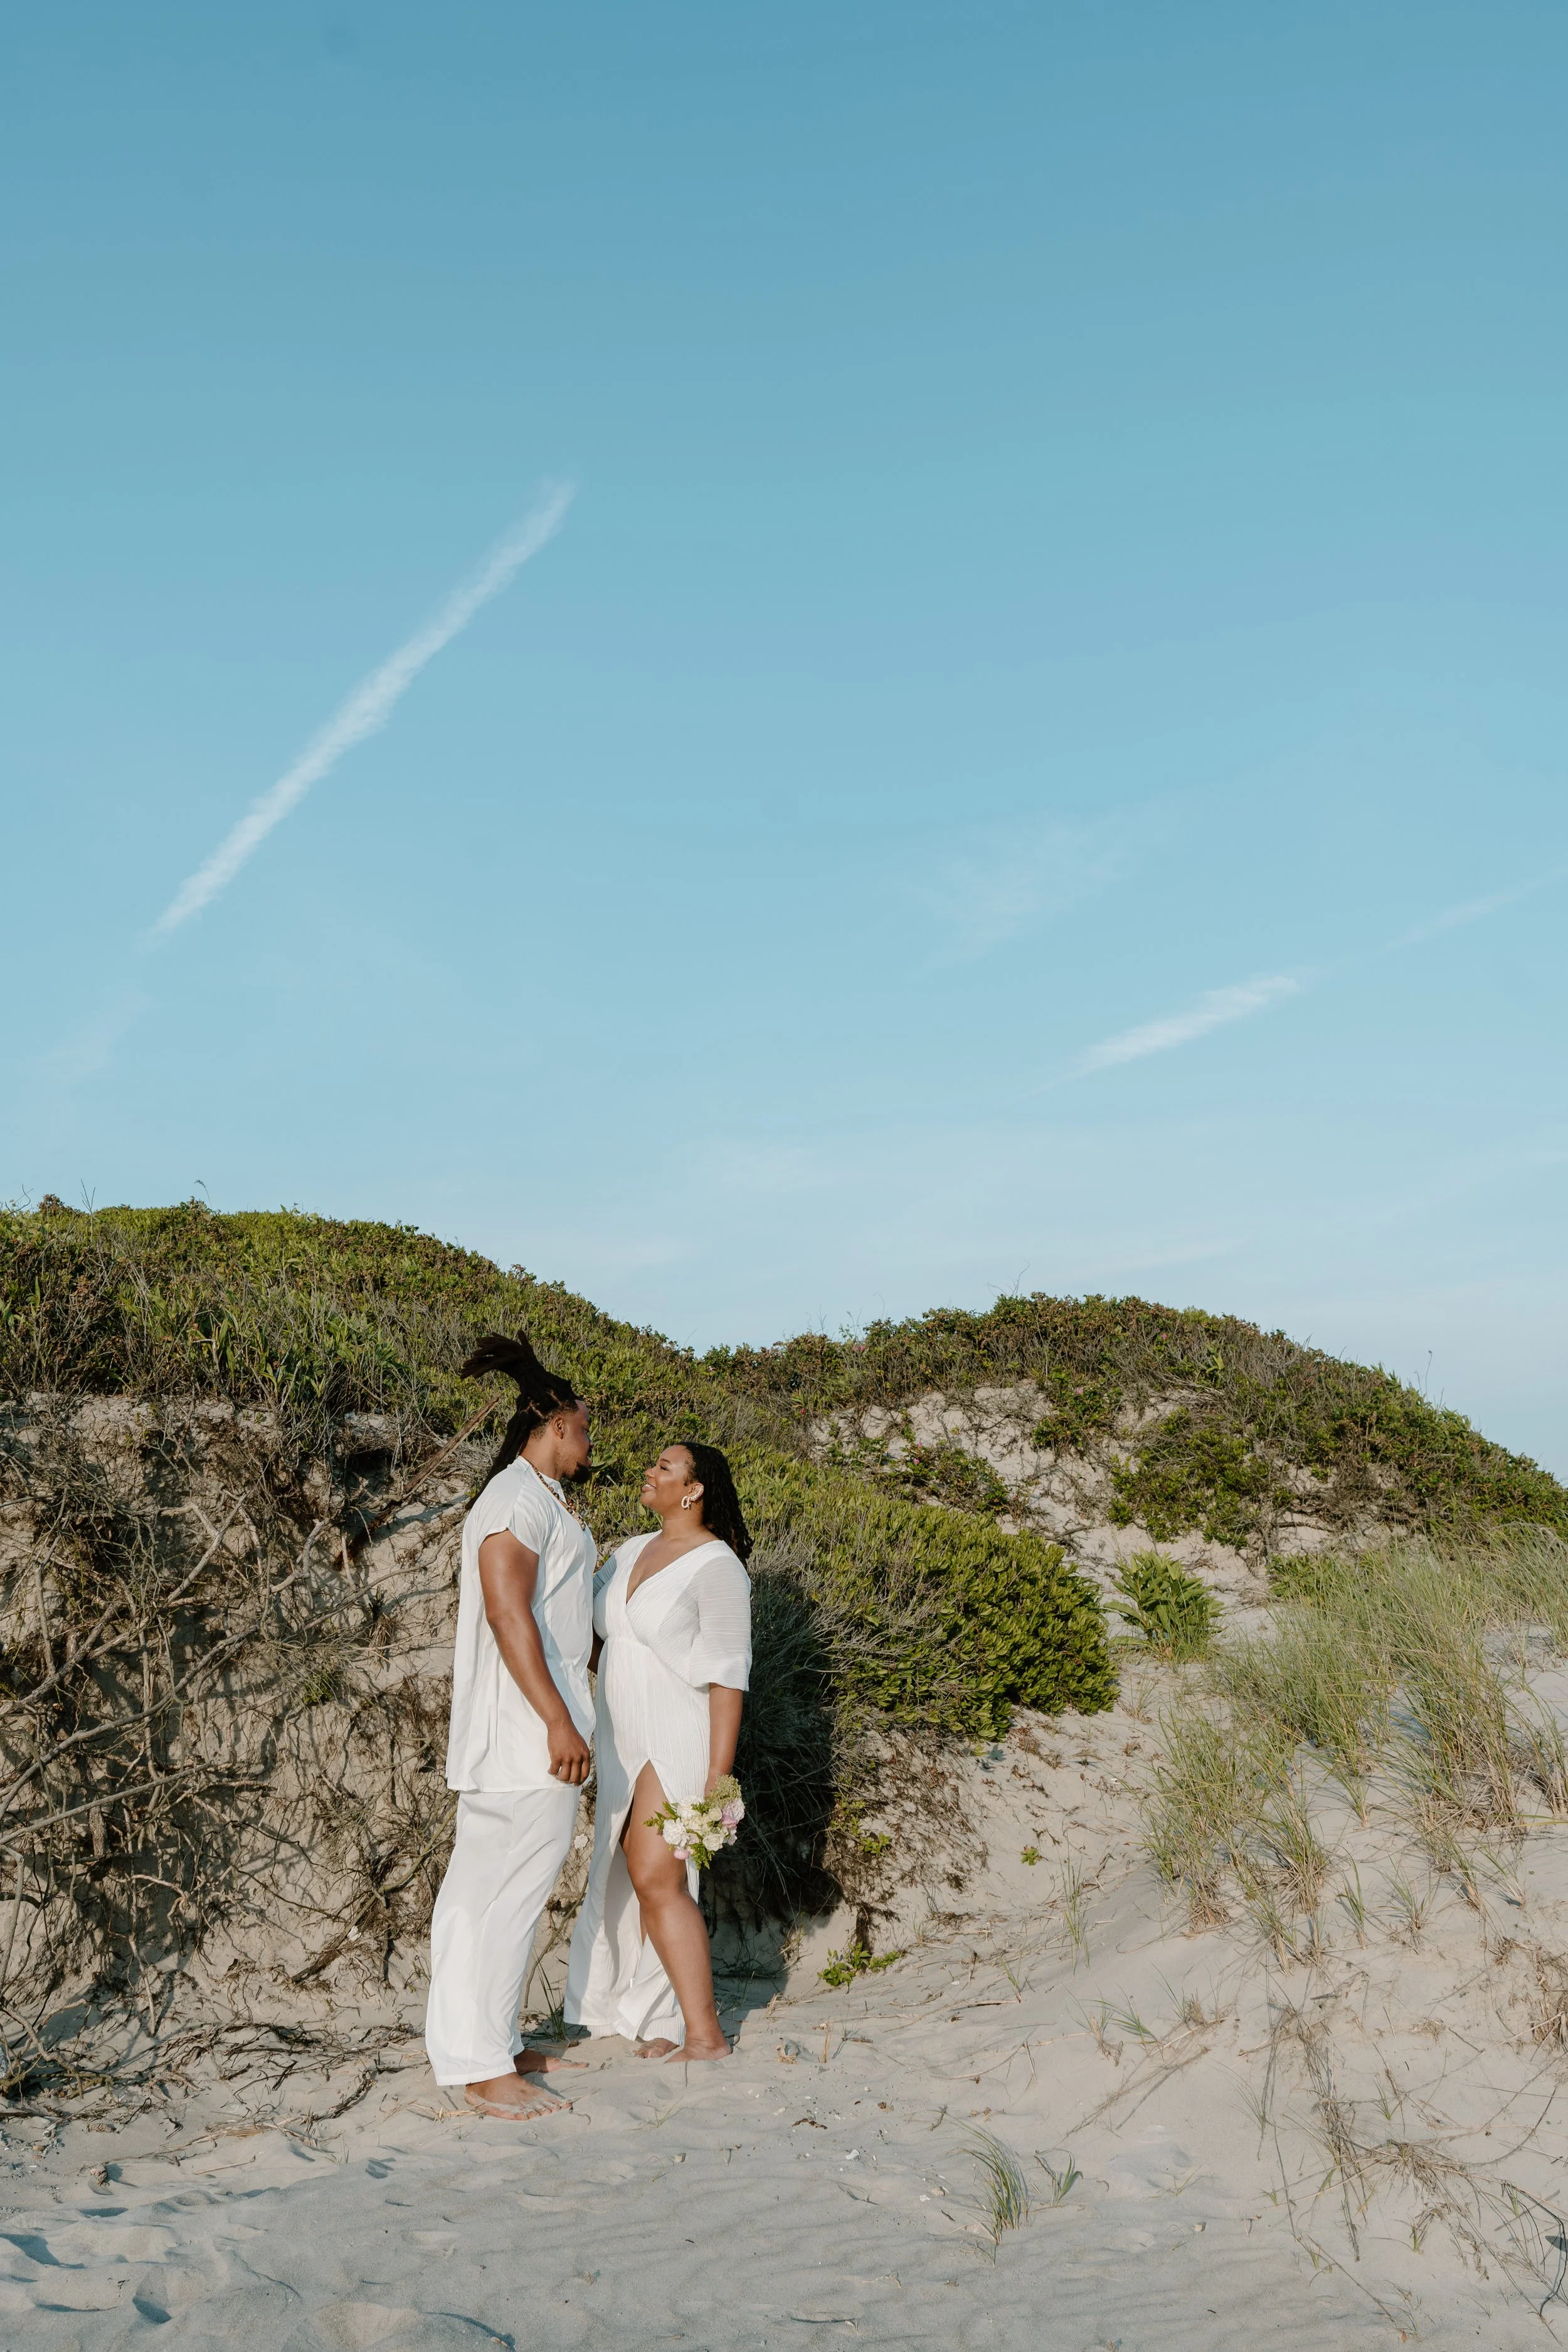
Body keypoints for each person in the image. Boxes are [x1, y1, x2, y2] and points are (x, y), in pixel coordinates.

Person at [423, 1332, 596, 2121]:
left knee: (503, 1890)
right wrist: (558, 1722)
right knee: (501, 1893)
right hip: (525, 1732)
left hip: (536, 1725)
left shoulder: (541, 1499)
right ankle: (481, 2066)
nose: (589, 1444)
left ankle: (487, 2040)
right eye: (584, 1428)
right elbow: (506, 1612)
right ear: (554, 1423)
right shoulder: (515, 1501)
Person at [564, 1440, 752, 2062]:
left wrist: (717, 1777)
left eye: (665, 1468)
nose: (649, 1471)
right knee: (626, 1875)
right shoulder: (627, 1552)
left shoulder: (718, 1566)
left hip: (677, 1732)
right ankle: (653, 2017)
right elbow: (598, 1637)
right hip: (622, 1731)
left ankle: (704, 2035)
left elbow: (729, 1676)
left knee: (656, 1874)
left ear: (693, 1491)